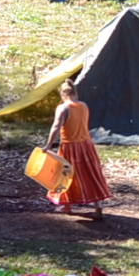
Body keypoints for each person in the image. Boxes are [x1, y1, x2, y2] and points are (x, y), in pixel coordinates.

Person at [45, 79, 113, 216]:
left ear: (62, 94)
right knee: (91, 173)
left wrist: (48, 145)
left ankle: (66, 206)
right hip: (86, 145)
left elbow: (56, 127)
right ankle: (98, 205)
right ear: (75, 93)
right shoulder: (84, 106)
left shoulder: (63, 108)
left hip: (70, 146)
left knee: (66, 174)